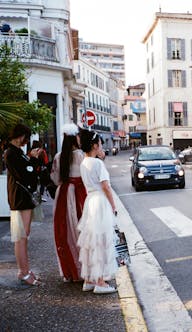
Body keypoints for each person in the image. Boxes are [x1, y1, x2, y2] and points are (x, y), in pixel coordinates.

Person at [77, 129, 118, 294]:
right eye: (100, 144)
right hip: (100, 202)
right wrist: (113, 206)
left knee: (90, 241)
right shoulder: (98, 163)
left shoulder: (84, 162)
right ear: (95, 145)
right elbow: (106, 187)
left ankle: (89, 279)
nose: (101, 147)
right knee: (101, 241)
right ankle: (100, 282)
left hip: (90, 201)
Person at [4, 124, 42, 286]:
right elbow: (25, 174)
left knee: (23, 235)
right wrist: (32, 159)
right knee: (21, 237)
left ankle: (25, 270)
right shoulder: (11, 153)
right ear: (20, 136)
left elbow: (29, 172)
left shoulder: (17, 153)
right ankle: (23, 272)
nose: (26, 141)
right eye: (26, 137)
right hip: (19, 199)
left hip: (22, 199)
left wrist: (31, 160)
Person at [50, 123, 87, 283]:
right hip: (79, 195)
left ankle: (71, 270)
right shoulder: (81, 155)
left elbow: (55, 179)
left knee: (66, 232)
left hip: (63, 195)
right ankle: (86, 270)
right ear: (75, 138)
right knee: (83, 231)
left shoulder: (59, 156)